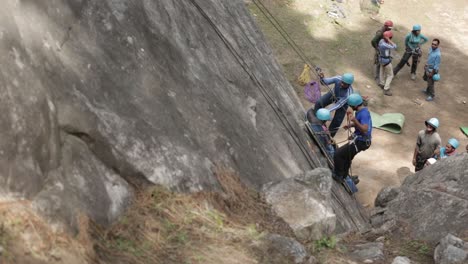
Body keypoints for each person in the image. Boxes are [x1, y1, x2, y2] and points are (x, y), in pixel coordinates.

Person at [333, 93, 372, 181]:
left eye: (351, 105)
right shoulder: (360, 111)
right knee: (347, 156)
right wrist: (351, 125)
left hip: (361, 142)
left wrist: (354, 120)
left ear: (355, 105)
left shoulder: (364, 114)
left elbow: (365, 129)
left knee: (338, 154)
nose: (350, 107)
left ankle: (338, 175)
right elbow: (360, 124)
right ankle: (344, 175)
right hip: (360, 139)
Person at [314, 73, 354, 138]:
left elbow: (337, 105)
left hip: (342, 104)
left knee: (337, 121)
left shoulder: (348, 94)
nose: (341, 84)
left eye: (344, 84)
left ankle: (328, 137)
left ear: (349, 85)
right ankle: (316, 121)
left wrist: (327, 111)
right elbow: (325, 82)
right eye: (342, 82)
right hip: (333, 94)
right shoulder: (338, 78)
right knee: (319, 103)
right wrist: (322, 78)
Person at [378, 31, 397, 96]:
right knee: (390, 75)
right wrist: (388, 39)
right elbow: (395, 46)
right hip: (386, 61)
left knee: (382, 71)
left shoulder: (381, 41)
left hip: (381, 59)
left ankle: (381, 83)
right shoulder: (385, 45)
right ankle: (386, 89)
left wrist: (387, 39)